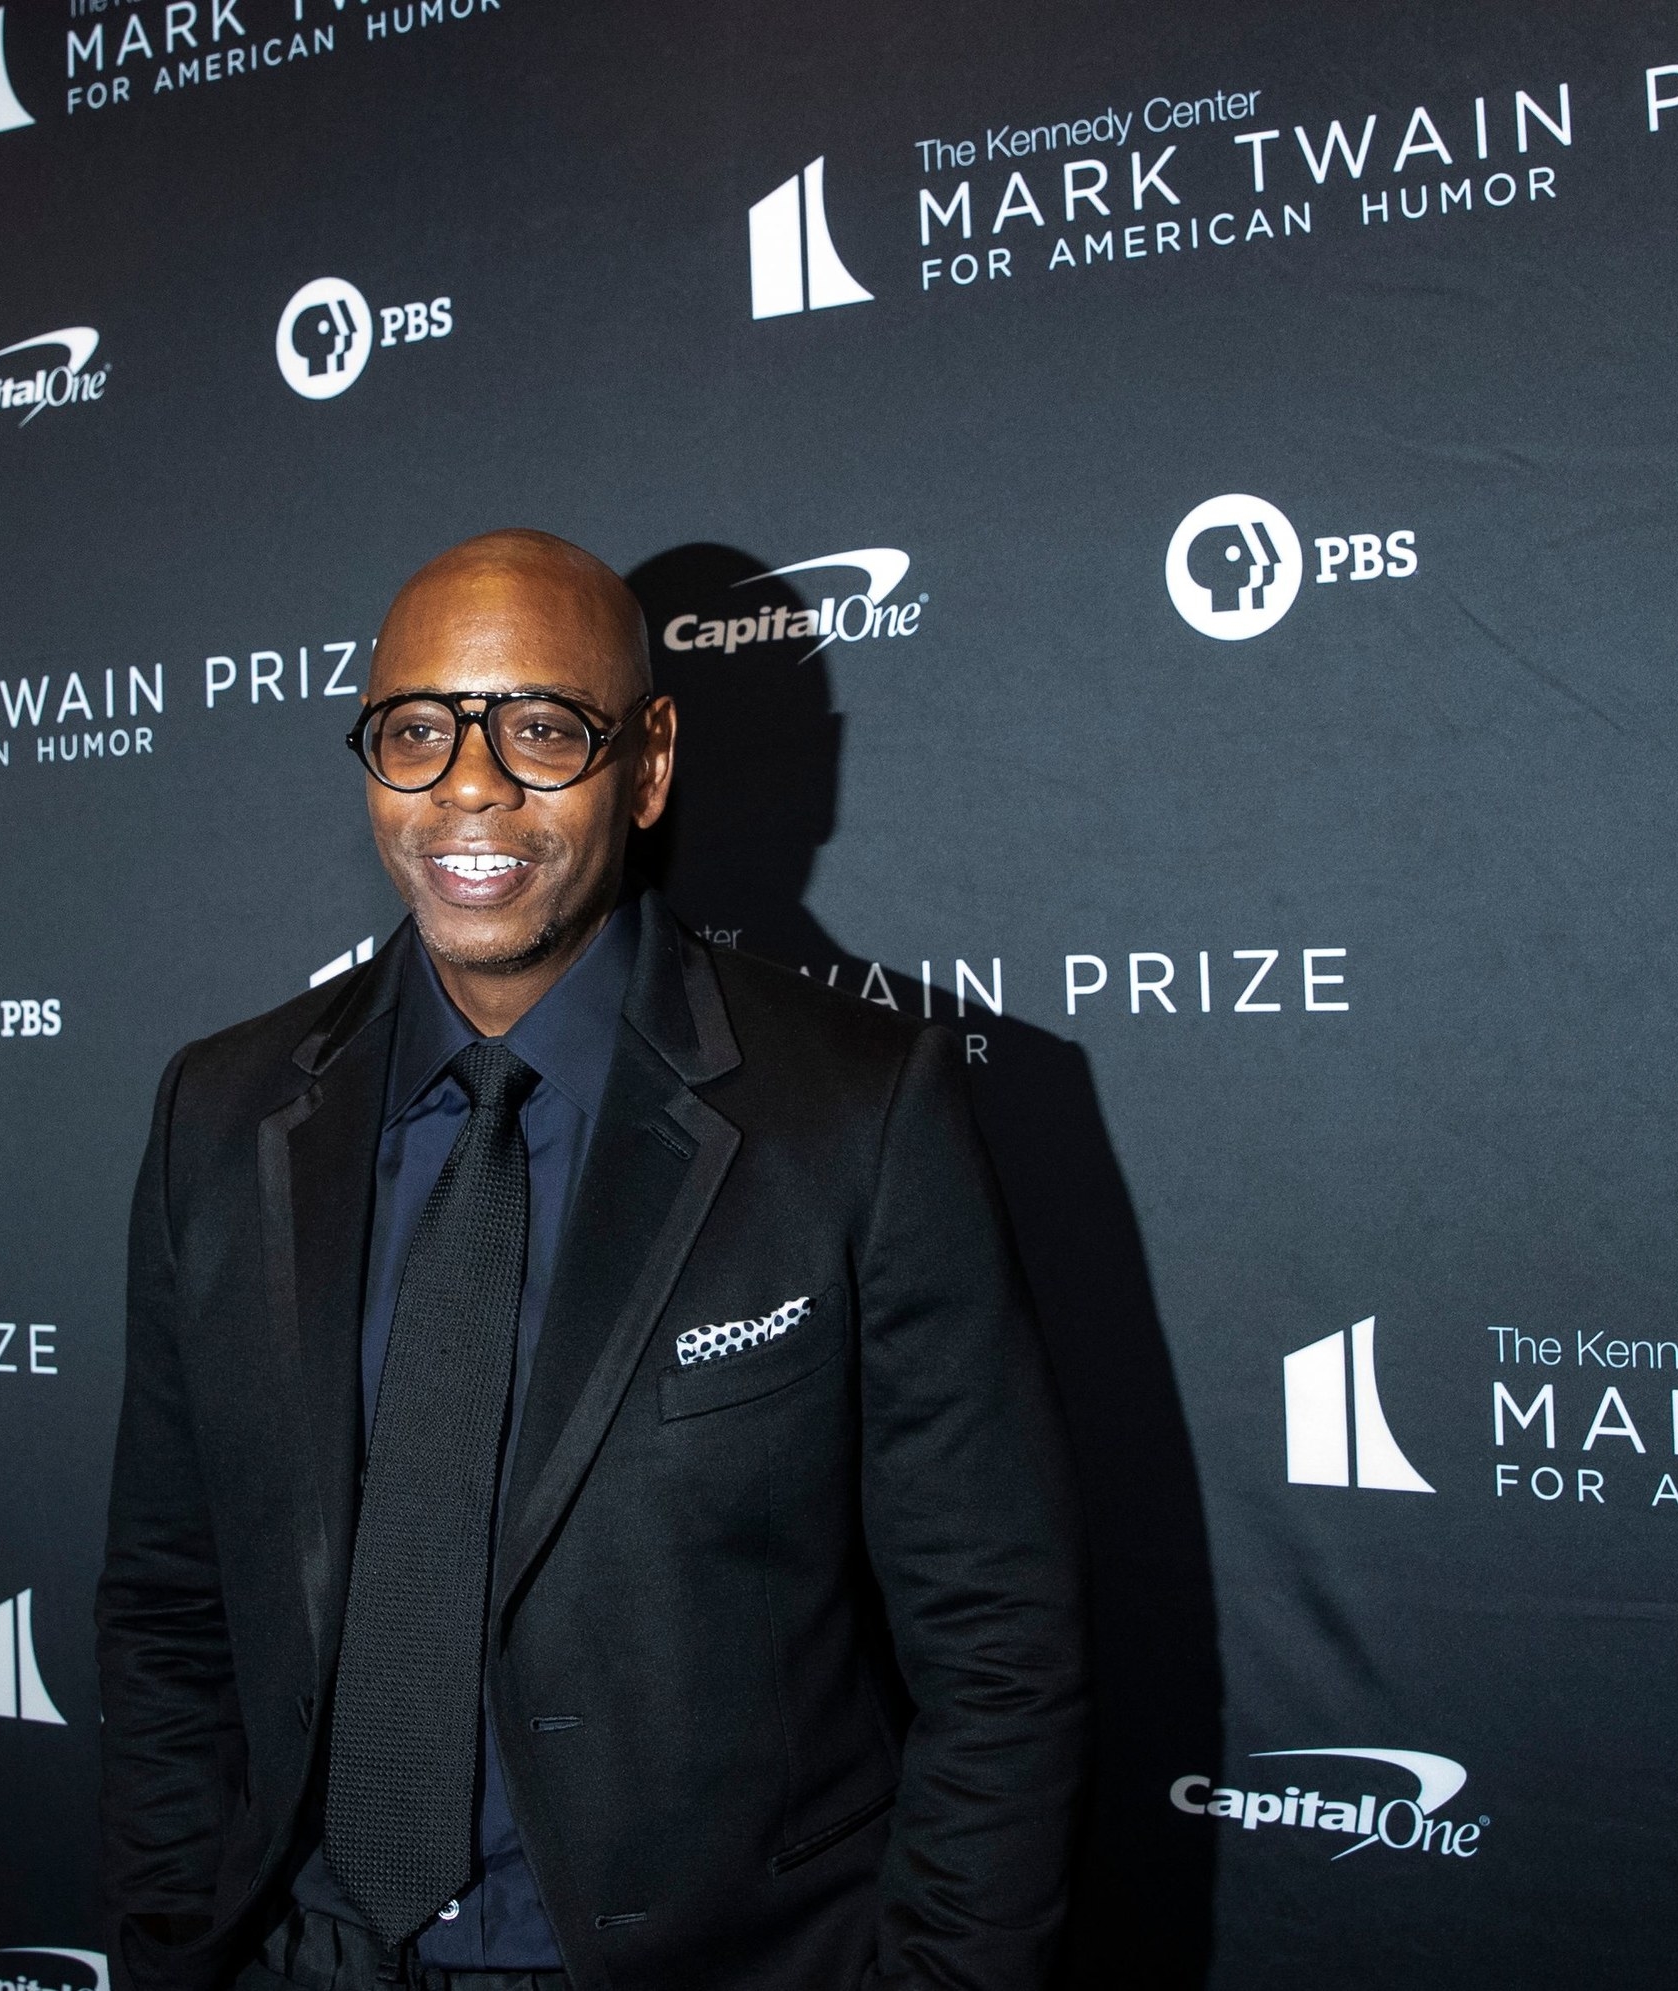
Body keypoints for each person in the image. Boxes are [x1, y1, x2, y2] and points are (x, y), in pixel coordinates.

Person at [97, 529, 1086, 1991]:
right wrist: (189, 1940)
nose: (472, 788)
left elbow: (998, 1645)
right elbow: (166, 1598)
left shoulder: (862, 1112)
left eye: (542, 729)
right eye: (418, 730)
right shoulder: (221, 1110)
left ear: (652, 763)